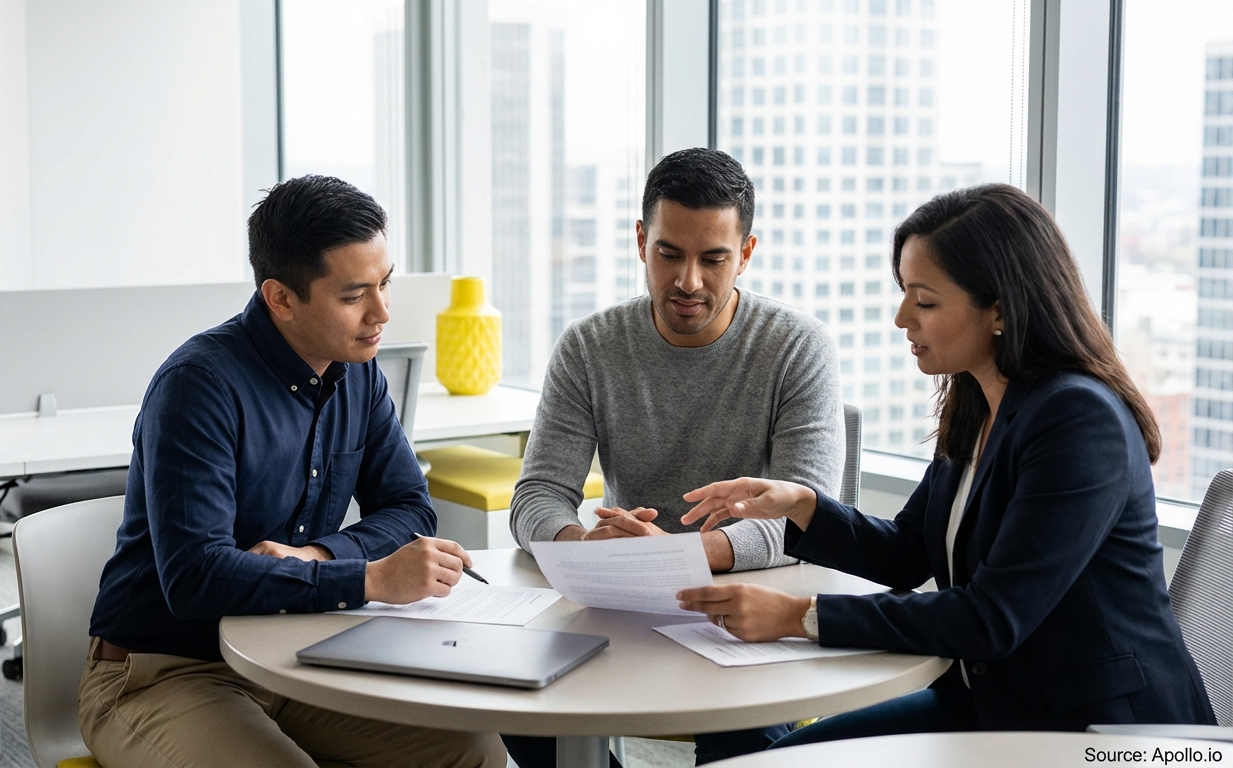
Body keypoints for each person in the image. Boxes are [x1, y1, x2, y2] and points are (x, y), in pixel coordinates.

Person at [678, 183, 1217, 748]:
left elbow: (992, 617)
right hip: (998, 704)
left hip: (1099, 731)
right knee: (776, 755)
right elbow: (909, 551)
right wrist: (803, 505)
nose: (901, 318)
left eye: (925, 301)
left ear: (1001, 312)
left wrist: (797, 616)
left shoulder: (1078, 420)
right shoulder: (978, 402)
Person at [80, 175, 506, 768]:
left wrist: (323, 559)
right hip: (166, 671)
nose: (381, 313)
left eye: (386, 284)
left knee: (472, 751)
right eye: (355, 295)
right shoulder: (199, 387)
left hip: (296, 655)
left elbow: (410, 507)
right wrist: (371, 580)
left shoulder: (358, 371)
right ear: (280, 297)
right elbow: (195, 578)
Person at [505, 147, 846, 766]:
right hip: (621, 604)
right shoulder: (589, 346)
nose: (688, 281)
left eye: (713, 259)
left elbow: (806, 515)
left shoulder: (798, 347)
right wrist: (583, 546)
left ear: (745, 253)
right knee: (516, 710)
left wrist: (670, 555)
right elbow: (537, 494)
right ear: (641, 241)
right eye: (669, 254)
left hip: (750, 605)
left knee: (746, 742)